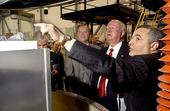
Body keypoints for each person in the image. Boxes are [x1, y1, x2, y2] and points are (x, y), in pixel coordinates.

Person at [34, 23, 164, 111]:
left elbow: (111, 66)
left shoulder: (145, 63)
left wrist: (65, 39)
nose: (131, 42)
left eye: (138, 38)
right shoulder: (154, 60)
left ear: (154, 46)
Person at [91, 19, 129, 111]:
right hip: (97, 97)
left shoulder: (129, 52)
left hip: (117, 99)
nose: (108, 30)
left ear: (122, 33)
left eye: (113, 28)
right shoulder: (101, 51)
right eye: (107, 28)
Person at [64, 23, 99, 100]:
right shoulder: (69, 50)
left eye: (85, 31)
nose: (82, 34)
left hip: (95, 90)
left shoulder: (97, 49)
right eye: (80, 32)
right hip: (77, 90)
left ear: (89, 34)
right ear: (76, 34)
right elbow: (69, 72)